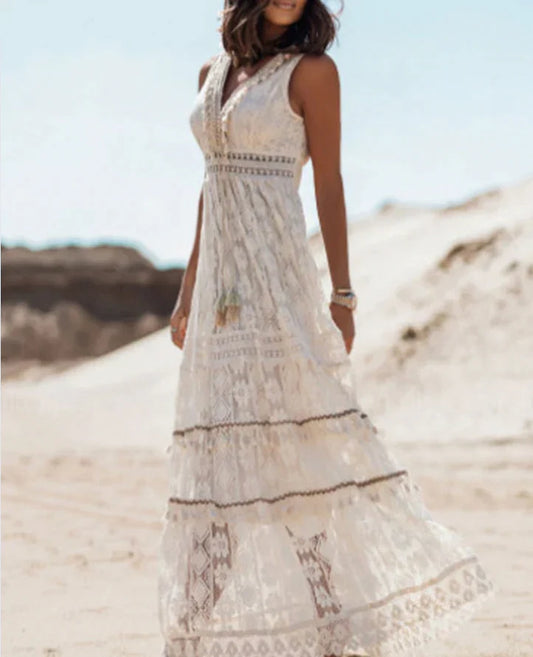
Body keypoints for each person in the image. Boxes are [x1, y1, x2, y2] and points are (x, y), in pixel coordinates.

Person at [159, 2, 496, 656]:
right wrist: (186, 291)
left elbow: (329, 182)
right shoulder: (211, 72)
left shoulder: (312, 72)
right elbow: (211, 185)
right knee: (220, 465)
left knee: (294, 450)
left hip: (277, 286)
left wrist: (342, 294)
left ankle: (330, 622)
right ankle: (192, 634)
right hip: (222, 303)